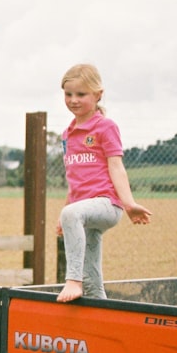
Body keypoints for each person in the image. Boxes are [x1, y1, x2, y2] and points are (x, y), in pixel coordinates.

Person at [56, 64, 151, 303]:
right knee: (92, 275)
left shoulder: (106, 127)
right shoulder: (67, 134)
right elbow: (74, 179)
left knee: (71, 216)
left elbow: (116, 167)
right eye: (68, 94)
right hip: (83, 208)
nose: (73, 100)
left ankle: (72, 280)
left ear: (98, 94)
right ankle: (100, 305)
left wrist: (129, 204)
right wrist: (66, 215)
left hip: (107, 205)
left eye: (81, 94)